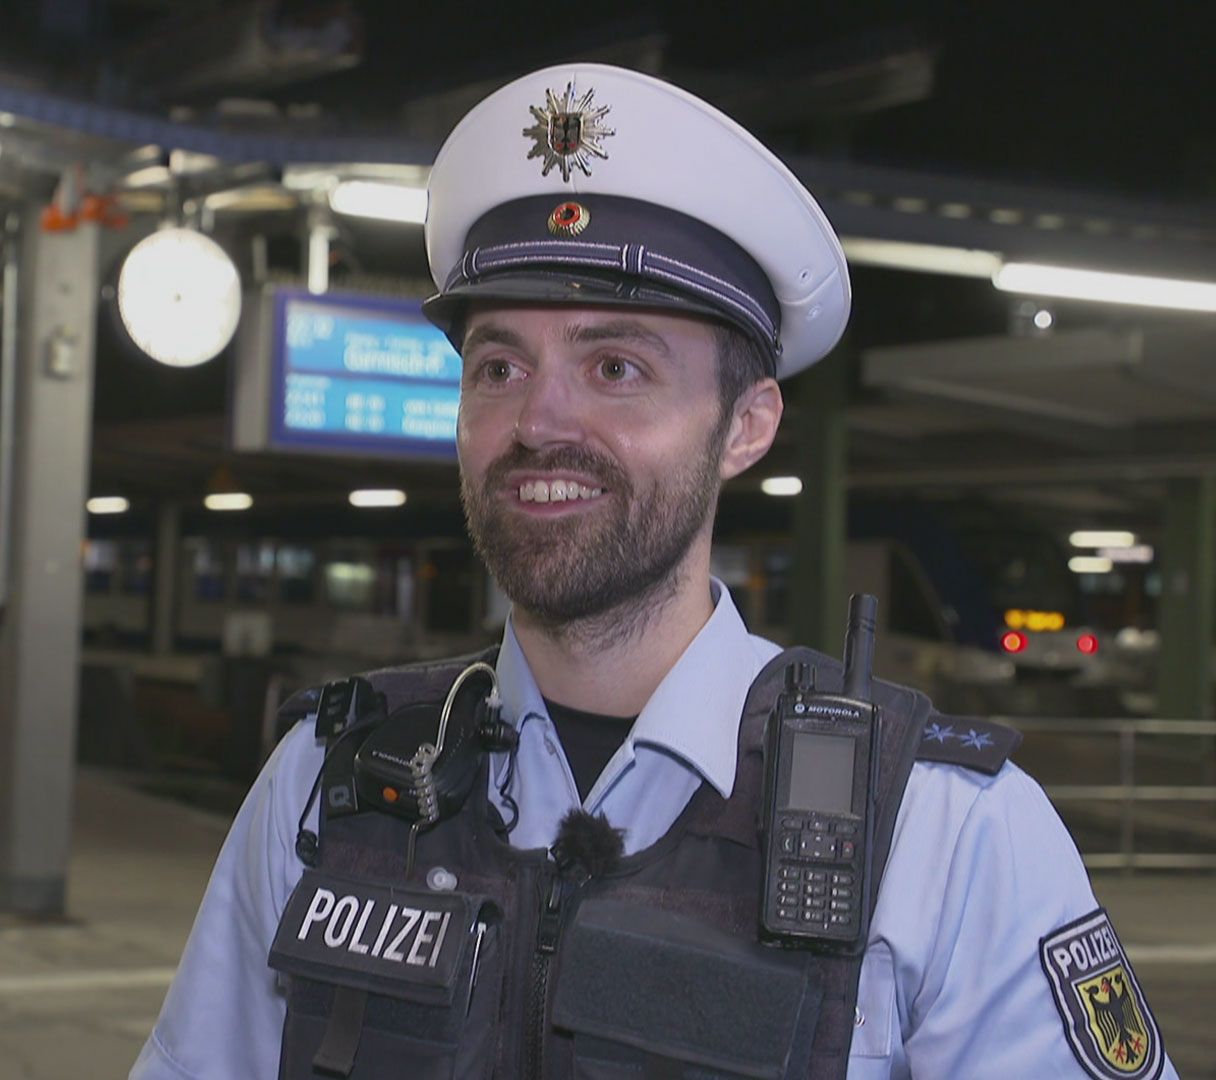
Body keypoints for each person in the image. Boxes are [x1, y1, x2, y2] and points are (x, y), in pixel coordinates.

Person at [133, 64, 1175, 1080]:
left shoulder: (946, 835)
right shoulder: (328, 783)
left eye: (616, 368)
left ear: (746, 426)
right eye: (500, 366)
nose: (539, 421)